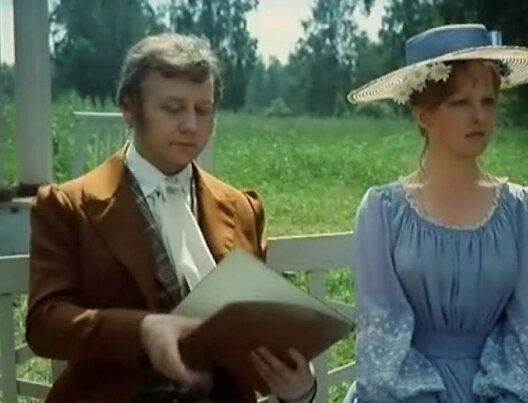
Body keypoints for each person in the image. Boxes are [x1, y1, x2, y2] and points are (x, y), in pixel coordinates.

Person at [26, 33, 316, 403]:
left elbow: (255, 330)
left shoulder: (242, 208)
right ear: (129, 108)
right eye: (173, 108)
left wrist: (298, 390)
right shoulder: (70, 205)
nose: (191, 125)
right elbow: (45, 324)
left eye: (203, 109)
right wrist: (143, 331)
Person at [344, 24, 528, 402]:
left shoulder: (521, 209)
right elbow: (382, 334)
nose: (479, 116)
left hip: (499, 393)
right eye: (460, 103)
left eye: (488, 101)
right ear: (423, 114)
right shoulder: (382, 211)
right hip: (406, 394)